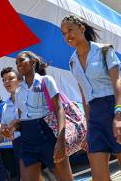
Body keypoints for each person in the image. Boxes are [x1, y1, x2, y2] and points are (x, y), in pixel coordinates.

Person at [60, 14, 121, 181]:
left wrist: (119, 115)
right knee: (99, 178)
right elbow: (84, 95)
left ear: (81, 28)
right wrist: (89, 127)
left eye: (70, 30)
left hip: (115, 109)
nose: (67, 36)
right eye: (63, 33)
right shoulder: (72, 62)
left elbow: (117, 83)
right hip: (95, 119)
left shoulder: (104, 51)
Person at [14, 51, 74, 181]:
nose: (18, 64)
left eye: (21, 60)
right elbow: (22, 117)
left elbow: (59, 110)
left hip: (47, 135)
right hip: (27, 140)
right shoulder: (19, 91)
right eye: (16, 62)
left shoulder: (46, 81)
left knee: (65, 179)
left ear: (33, 62)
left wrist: (60, 139)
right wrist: (12, 127)